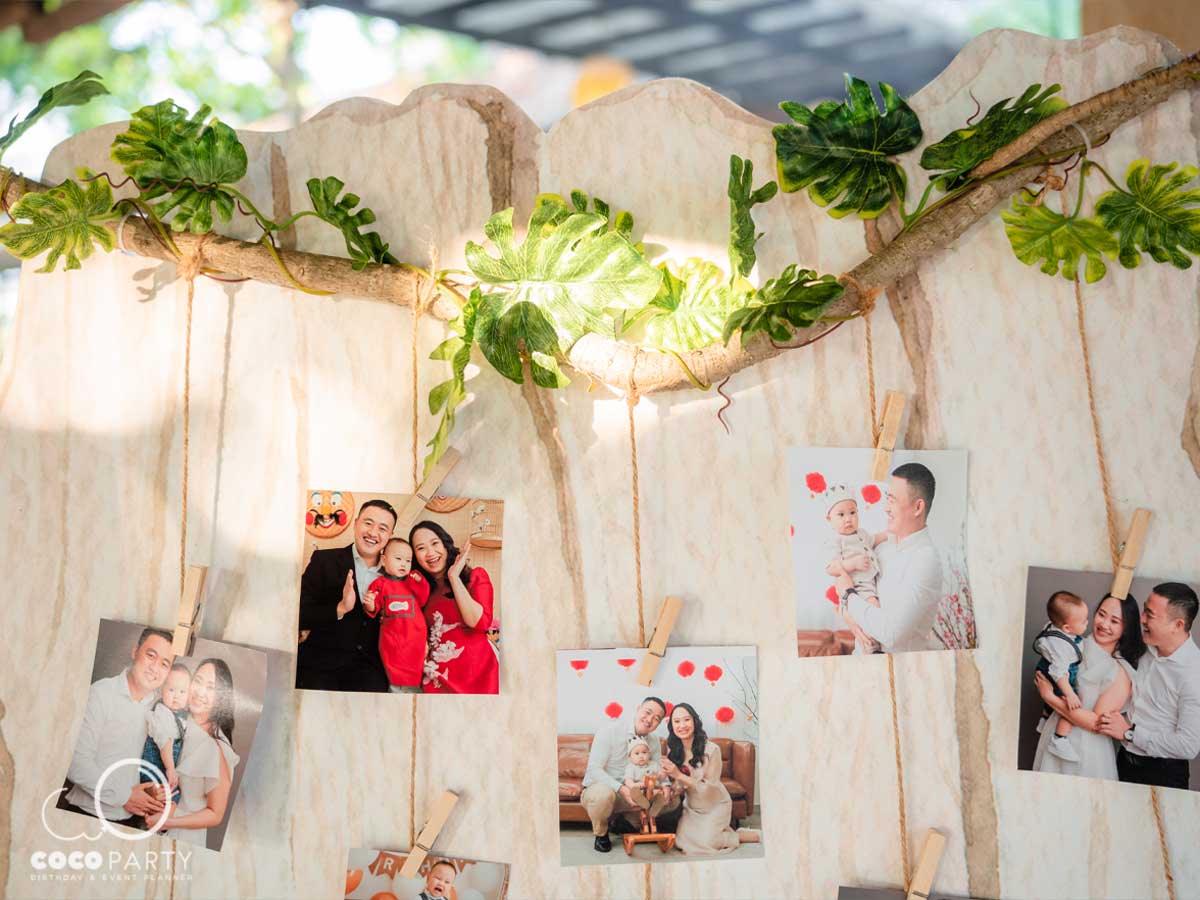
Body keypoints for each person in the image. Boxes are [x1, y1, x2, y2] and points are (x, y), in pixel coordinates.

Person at [62, 627, 172, 827]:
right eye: (150, 655)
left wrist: (152, 792)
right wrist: (124, 796)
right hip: (86, 815)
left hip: (131, 821)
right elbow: (75, 762)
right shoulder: (100, 694)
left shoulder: (160, 710)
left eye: (164, 664)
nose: (155, 668)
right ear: (135, 651)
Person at [1033, 593, 1146, 781]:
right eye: (1101, 614)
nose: (1104, 624)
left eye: (1114, 621)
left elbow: (1097, 723)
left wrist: (1050, 697)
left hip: (1085, 750)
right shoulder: (1071, 646)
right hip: (1052, 735)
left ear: (1126, 628)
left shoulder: (1120, 672)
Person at [1099, 582, 1200, 789]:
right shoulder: (1144, 645)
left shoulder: (1193, 674)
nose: (1141, 619)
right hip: (1122, 760)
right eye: (1144, 610)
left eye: (1150, 615)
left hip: (1163, 774)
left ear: (1177, 625)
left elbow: (1188, 746)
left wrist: (1130, 733)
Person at [839, 462, 943, 653]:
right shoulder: (881, 547)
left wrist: (848, 597)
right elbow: (844, 578)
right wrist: (847, 611)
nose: (886, 508)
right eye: (887, 499)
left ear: (918, 507)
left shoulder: (926, 561)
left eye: (892, 500)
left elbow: (890, 634)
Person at [296, 499, 397, 692]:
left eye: (383, 528)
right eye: (368, 523)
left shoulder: (397, 572)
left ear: (390, 535)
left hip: (371, 673)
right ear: (356, 523)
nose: (373, 533)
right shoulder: (324, 560)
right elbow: (298, 614)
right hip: (320, 668)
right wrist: (340, 608)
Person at [409, 521, 499, 694]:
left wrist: (454, 577)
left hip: (479, 675)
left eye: (435, 543)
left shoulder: (476, 576)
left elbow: (479, 623)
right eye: (421, 548)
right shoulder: (420, 592)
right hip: (438, 679)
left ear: (445, 545)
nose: (430, 553)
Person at [660, 702, 759, 854]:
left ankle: (742, 835)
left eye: (686, 720)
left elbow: (708, 788)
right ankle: (719, 832)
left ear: (694, 721)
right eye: (677, 721)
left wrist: (678, 774)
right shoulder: (673, 750)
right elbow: (679, 785)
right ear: (672, 726)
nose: (682, 725)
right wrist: (671, 788)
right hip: (692, 807)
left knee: (708, 843)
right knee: (681, 842)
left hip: (715, 804)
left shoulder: (712, 749)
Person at [580, 697, 677, 852]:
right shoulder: (609, 730)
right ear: (638, 709)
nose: (649, 720)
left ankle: (624, 822)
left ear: (659, 724)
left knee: (673, 799)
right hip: (606, 789)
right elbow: (594, 769)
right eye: (647, 712)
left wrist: (666, 786)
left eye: (656, 718)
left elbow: (657, 768)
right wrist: (622, 789)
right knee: (602, 795)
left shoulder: (653, 741)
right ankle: (601, 834)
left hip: (635, 792)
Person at [163, 658, 240, 847]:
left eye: (211, 687)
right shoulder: (170, 718)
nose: (200, 692)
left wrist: (169, 820)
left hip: (182, 837)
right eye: (197, 681)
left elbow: (215, 814)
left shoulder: (217, 747)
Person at [362, 537, 430, 693]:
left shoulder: (411, 581)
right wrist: (370, 603)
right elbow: (373, 607)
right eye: (398, 559)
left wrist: (420, 582)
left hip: (415, 634)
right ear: (384, 560)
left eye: (408, 560)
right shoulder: (380, 584)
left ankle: (415, 691)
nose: (403, 564)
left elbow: (423, 599)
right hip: (392, 636)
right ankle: (396, 690)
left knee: (417, 665)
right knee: (394, 665)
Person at [822, 483, 884, 653]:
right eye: (841, 515)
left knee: (872, 614)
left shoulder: (862, 533)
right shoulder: (835, 541)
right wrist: (853, 564)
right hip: (857, 587)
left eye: (852, 513)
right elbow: (831, 567)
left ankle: (869, 644)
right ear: (829, 519)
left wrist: (889, 534)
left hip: (870, 583)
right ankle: (872, 646)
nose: (848, 519)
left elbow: (874, 539)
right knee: (873, 610)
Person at [1032, 591, 1090, 763]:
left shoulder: (1053, 628)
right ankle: (1059, 739)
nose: (1087, 622)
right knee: (1073, 706)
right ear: (1066, 628)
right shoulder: (1062, 648)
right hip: (1059, 675)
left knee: (1061, 697)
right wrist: (1070, 694)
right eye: (1083, 621)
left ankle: (1044, 719)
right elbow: (1059, 673)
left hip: (1045, 667)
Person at [140, 662, 192, 802]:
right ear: (162, 689)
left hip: (166, 771)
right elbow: (165, 741)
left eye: (182, 692)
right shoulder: (162, 712)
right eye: (171, 690)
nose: (176, 696)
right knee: (169, 795)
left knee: (173, 796)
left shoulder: (182, 716)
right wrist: (170, 768)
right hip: (154, 769)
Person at [623, 736, 669, 828]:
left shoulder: (654, 765)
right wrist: (634, 785)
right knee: (634, 791)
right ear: (630, 757)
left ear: (649, 754)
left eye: (644, 752)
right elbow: (627, 780)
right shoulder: (631, 767)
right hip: (641, 791)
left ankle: (653, 812)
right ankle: (644, 803)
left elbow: (661, 778)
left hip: (653, 790)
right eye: (637, 753)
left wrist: (663, 773)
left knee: (659, 795)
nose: (641, 756)